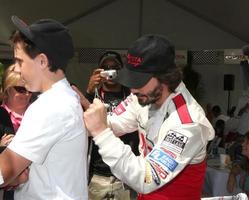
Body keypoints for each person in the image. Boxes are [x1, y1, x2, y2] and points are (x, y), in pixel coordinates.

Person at [84, 34, 215, 200]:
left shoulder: (188, 122)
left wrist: (101, 133)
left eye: (139, 80)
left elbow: (146, 178)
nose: (132, 89)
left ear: (165, 77)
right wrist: (86, 117)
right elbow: (114, 123)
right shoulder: (143, 96)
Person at [0, 16, 88, 200]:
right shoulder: (63, 99)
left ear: (42, 61)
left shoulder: (51, 106)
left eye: (19, 61)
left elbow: (6, 169)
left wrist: (13, 173)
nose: (15, 69)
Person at [84, 51, 139, 200]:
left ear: (121, 71)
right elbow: (81, 123)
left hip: (126, 174)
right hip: (98, 173)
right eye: (105, 67)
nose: (110, 71)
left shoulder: (132, 95)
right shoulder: (93, 95)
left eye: (115, 67)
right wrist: (89, 91)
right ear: (98, 72)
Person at [0, 64, 32, 200]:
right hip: (8, 190)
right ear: (7, 90)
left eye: (29, 89)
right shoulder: (1, 116)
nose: (27, 94)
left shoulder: (39, 113)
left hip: (37, 186)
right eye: (20, 89)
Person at [227, 131, 249, 197]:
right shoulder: (246, 162)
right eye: (244, 141)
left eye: (247, 142)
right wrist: (232, 174)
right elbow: (238, 166)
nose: (242, 144)